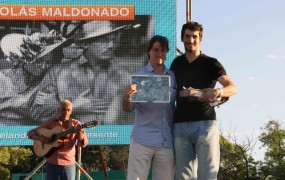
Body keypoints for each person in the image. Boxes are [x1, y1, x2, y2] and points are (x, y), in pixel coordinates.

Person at [170, 21, 237, 179]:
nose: (190, 40)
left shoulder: (211, 63)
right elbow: (170, 93)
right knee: (183, 177)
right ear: (182, 38)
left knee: (207, 175)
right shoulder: (176, 64)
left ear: (200, 39)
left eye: (194, 37)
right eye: (187, 36)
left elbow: (232, 87)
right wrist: (185, 94)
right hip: (179, 125)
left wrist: (218, 91)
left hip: (205, 125)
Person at [29, 20, 132, 124]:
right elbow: (37, 112)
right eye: (104, 40)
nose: (111, 45)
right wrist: (71, 107)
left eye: (113, 40)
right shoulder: (57, 72)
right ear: (85, 43)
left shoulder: (123, 74)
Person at [122, 35, 176, 180]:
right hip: (142, 141)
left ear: (166, 53)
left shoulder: (173, 77)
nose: (159, 54)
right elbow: (128, 108)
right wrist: (126, 97)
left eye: (163, 51)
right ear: (149, 51)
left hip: (166, 142)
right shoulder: (138, 76)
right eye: (156, 49)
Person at [0, 30, 71, 125]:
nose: (43, 67)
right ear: (25, 60)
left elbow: (43, 112)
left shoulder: (46, 81)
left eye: (48, 62)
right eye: (38, 62)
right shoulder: (3, 78)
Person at [27, 100, 88, 180]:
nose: (66, 112)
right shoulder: (51, 123)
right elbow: (30, 133)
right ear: (58, 110)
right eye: (63, 109)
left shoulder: (76, 124)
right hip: (51, 162)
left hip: (68, 162)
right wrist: (42, 138)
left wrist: (79, 132)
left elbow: (83, 144)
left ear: (71, 111)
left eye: (68, 110)